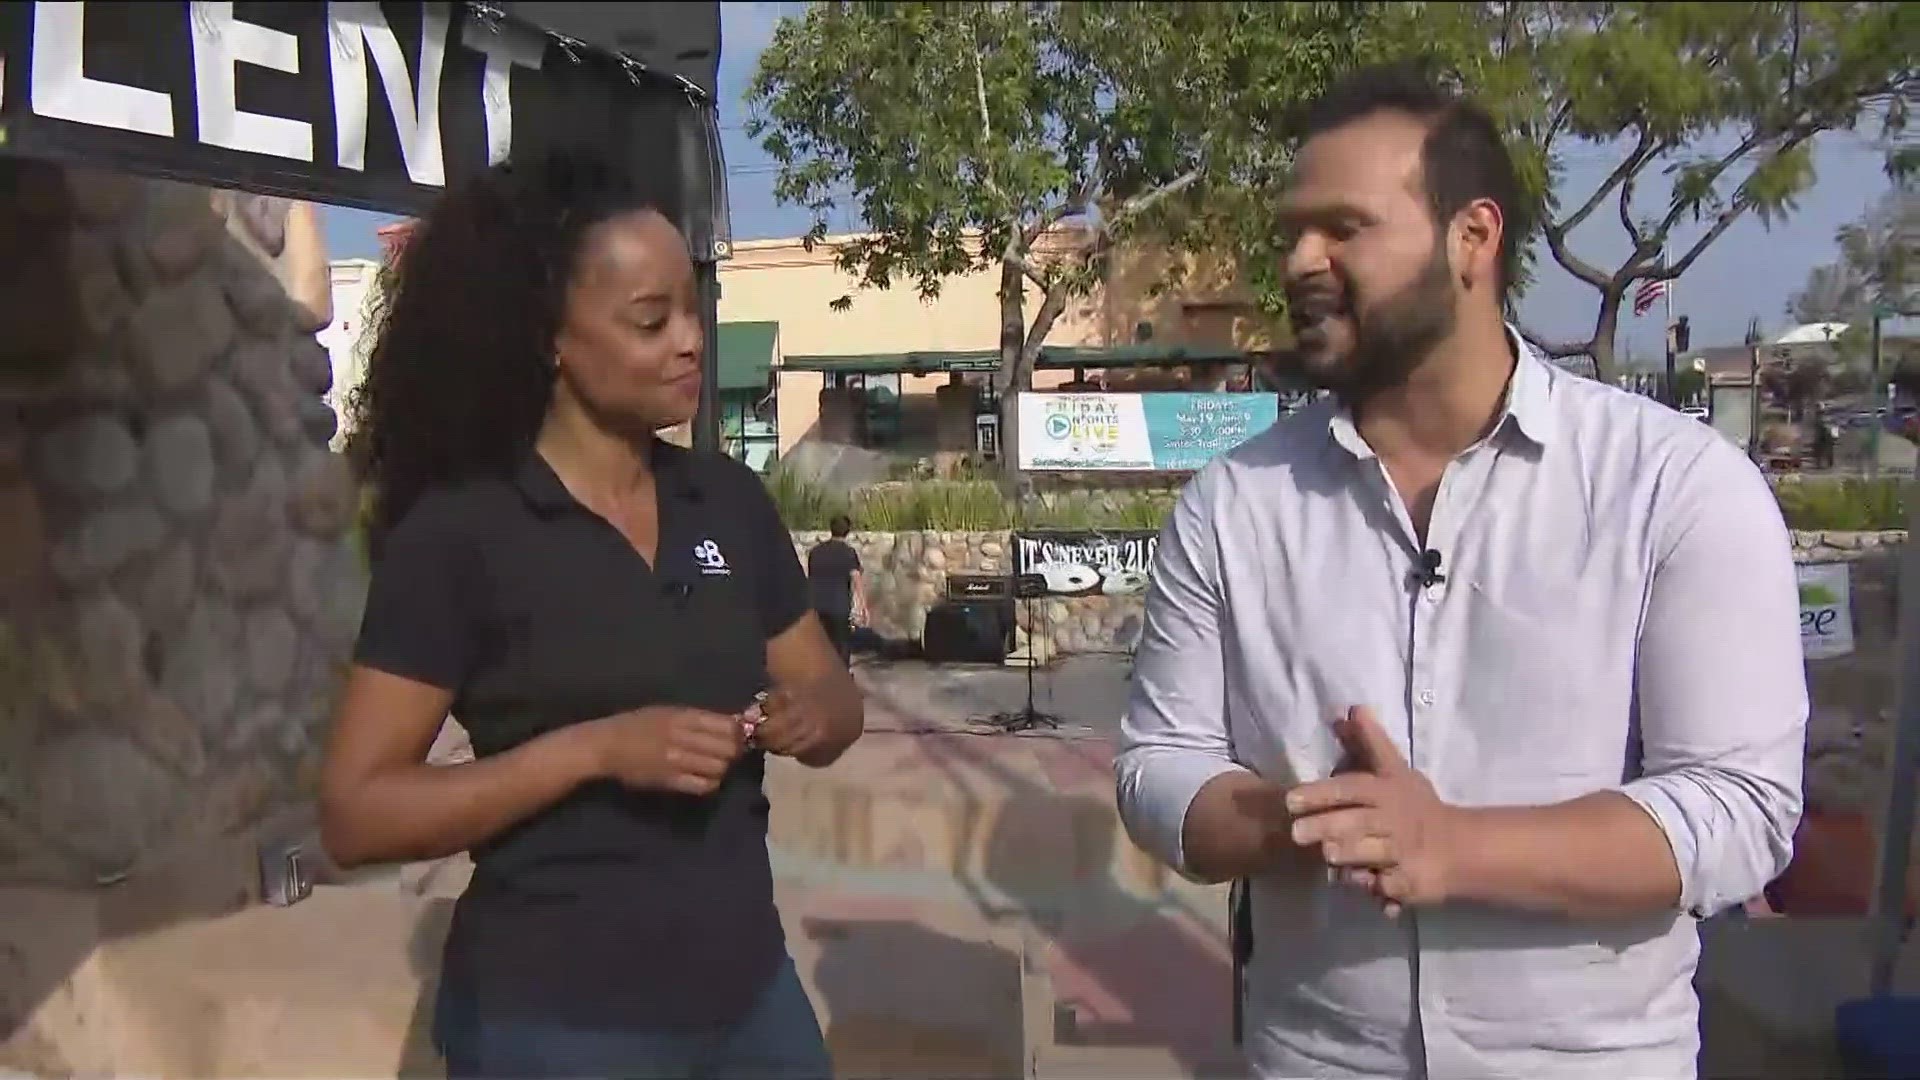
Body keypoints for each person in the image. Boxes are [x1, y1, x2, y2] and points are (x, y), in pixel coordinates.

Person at [1114, 63, 1805, 1080]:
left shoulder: (1676, 488)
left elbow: (1742, 807)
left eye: (1344, 227)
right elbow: (1155, 769)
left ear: (1472, 238)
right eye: (1293, 233)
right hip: (1312, 1057)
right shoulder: (1233, 506)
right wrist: (1309, 821)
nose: (1302, 260)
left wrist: (1454, 846)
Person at [321, 155, 862, 1079]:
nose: (690, 341)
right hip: (556, 1026)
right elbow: (356, 813)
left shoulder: (728, 502)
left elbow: (835, 697)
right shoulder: (464, 532)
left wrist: (813, 716)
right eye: (652, 321)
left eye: (691, 310)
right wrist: (595, 750)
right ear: (551, 341)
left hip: (752, 1004)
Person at [806, 515, 866, 662]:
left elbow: (811, 577)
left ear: (831, 529)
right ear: (848, 531)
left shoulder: (815, 552)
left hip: (816, 605)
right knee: (841, 646)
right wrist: (863, 606)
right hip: (838, 606)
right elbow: (856, 578)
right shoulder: (848, 553)